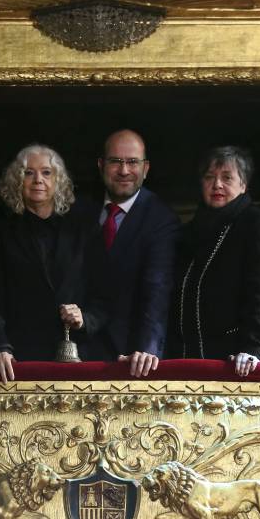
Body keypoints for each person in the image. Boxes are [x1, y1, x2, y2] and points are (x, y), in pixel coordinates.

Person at [63, 130, 179, 378]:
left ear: (146, 168)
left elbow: (158, 290)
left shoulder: (161, 218)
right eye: (115, 161)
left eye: (132, 162)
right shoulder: (78, 211)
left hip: (132, 357)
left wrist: (147, 350)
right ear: (101, 165)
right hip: (78, 351)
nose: (124, 170)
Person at [0, 145, 93, 382]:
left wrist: (86, 319)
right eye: (28, 173)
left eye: (46, 172)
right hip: (15, 359)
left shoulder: (83, 228)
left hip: (76, 356)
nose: (38, 179)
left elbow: (105, 291)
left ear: (58, 180)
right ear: (17, 180)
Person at [169, 146, 260, 376]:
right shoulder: (189, 233)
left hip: (242, 361)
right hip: (191, 359)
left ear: (243, 185)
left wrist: (254, 347)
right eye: (209, 177)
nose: (217, 185)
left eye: (227, 177)